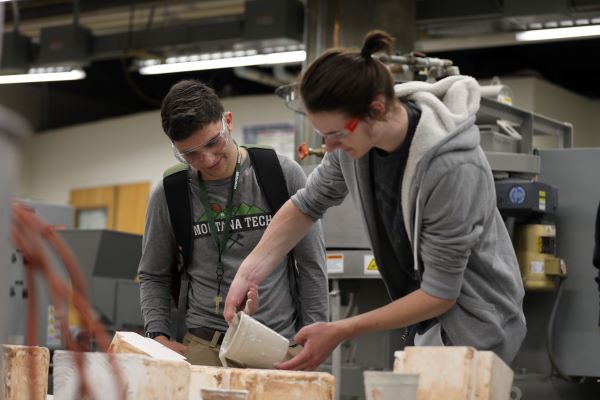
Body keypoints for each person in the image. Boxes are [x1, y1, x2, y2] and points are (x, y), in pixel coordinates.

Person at [224, 30, 526, 369]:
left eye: (337, 134)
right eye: (325, 136)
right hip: (429, 321)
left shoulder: (452, 168)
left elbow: (440, 293)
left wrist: (340, 330)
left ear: (377, 109)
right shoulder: (354, 145)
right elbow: (308, 203)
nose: (331, 147)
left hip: (477, 326)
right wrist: (248, 273)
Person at [138, 80, 328, 366]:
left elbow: (312, 264)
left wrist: (316, 335)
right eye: (190, 154)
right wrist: (157, 335)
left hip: (277, 343)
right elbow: (154, 273)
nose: (208, 159)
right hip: (204, 345)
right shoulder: (170, 193)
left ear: (228, 121)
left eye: (214, 142)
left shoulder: (281, 173)